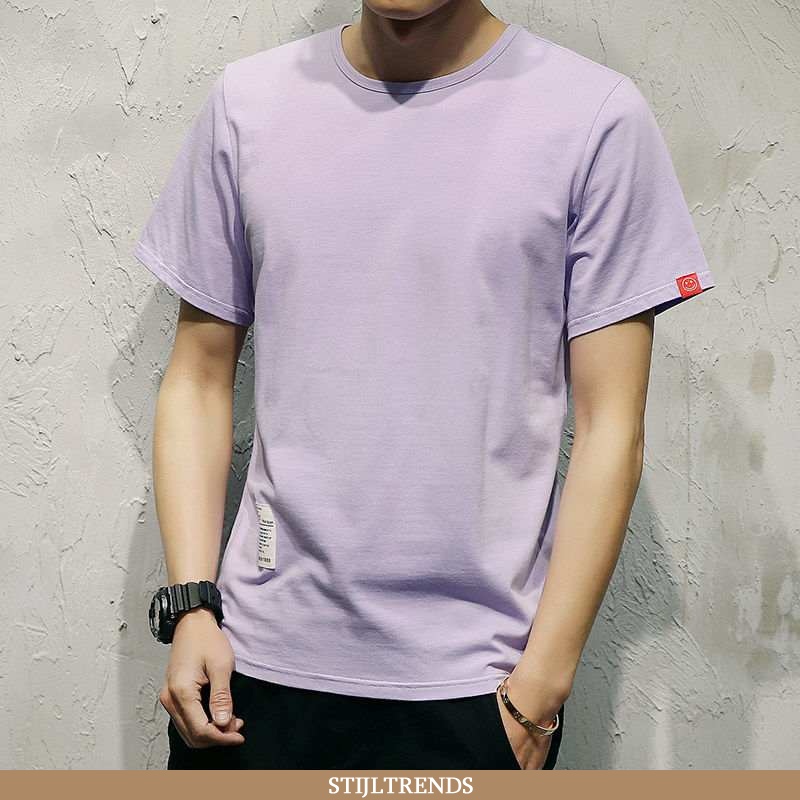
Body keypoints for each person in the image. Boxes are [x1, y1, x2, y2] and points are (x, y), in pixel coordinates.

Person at [134, 0, 716, 770]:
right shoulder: (248, 104)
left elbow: (614, 426)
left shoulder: (594, 118)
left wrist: (538, 692)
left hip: (478, 688)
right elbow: (198, 377)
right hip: (251, 673)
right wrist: (192, 609)